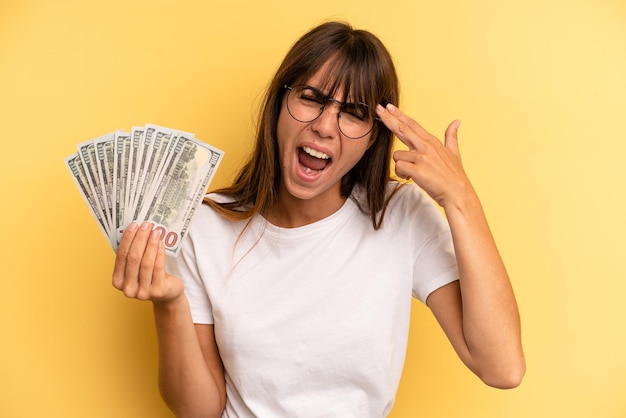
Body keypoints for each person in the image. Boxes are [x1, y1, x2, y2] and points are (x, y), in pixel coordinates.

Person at [112, 21, 525, 418]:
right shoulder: (205, 226)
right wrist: (169, 304)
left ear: (373, 137)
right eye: (310, 97)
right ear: (279, 104)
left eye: (354, 112)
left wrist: (461, 198)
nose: (325, 126)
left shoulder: (401, 213)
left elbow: (502, 368)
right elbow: (198, 410)